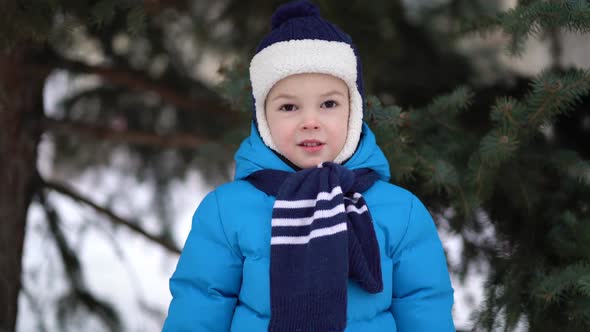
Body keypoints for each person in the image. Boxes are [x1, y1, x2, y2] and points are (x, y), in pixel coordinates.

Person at [162, 1, 455, 331]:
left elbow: (425, 309)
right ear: (263, 119)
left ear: (353, 112)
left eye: (329, 103)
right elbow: (199, 306)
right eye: (289, 106)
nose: (310, 121)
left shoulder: (401, 211)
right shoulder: (226, 210)